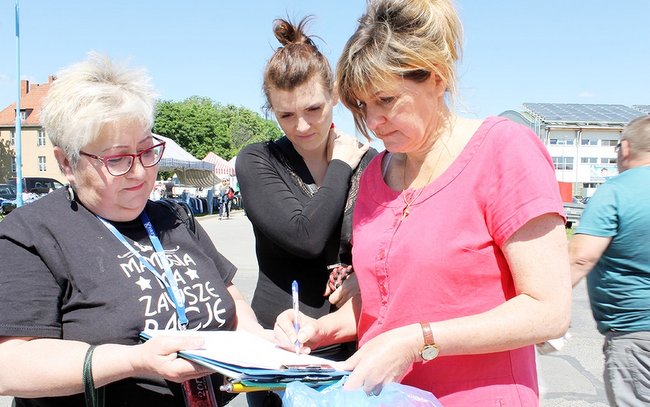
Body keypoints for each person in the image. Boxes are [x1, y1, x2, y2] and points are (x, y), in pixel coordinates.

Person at [273, 1, 572, 405]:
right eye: (361, 106)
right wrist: (323, 329)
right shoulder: (375, 174)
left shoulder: (504, 151)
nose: (373, 121)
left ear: (436, 78)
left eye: (386, 100)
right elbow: (387, 299)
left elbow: (548, 310)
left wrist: (421, 341)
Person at [0, 52, 266, 407]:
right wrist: (132, 360)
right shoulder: (33, 232)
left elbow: (231, 300)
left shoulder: (174, 217)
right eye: (118, 159)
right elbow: (11, 364)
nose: (140, 172)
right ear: (67, 162)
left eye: (146, 150)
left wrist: (265, 345)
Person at [235, 16, 374, 406]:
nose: (302, 126)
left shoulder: (372, 162)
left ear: (334, 96)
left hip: (350, 337)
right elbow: (306, 237)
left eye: (313, 108)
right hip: (281, 346)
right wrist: (341, 165)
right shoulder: (257, 160)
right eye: (285, 115)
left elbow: (392, 244)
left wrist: (363, 277)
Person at [569, 115, 650, 407]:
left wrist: (545, 308)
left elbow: (580, 257)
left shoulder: (616, 190)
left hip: (636, 331)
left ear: (625, 148)